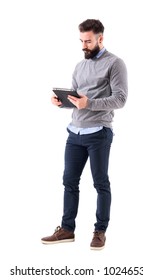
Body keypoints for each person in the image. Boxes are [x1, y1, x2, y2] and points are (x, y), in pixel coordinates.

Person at [41, 19, 128, 250]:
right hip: (75, 133)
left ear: (101, 39)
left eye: (88, 41)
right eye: (81, 41)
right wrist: (61, 102)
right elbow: (76, 100)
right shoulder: (80, 66)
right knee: (69, 181)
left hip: (99, 132)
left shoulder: (115, 63)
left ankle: (100, 231)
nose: (83, 46)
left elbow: (120, 99)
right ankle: (67, 229)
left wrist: (89, 103)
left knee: (100, 183)